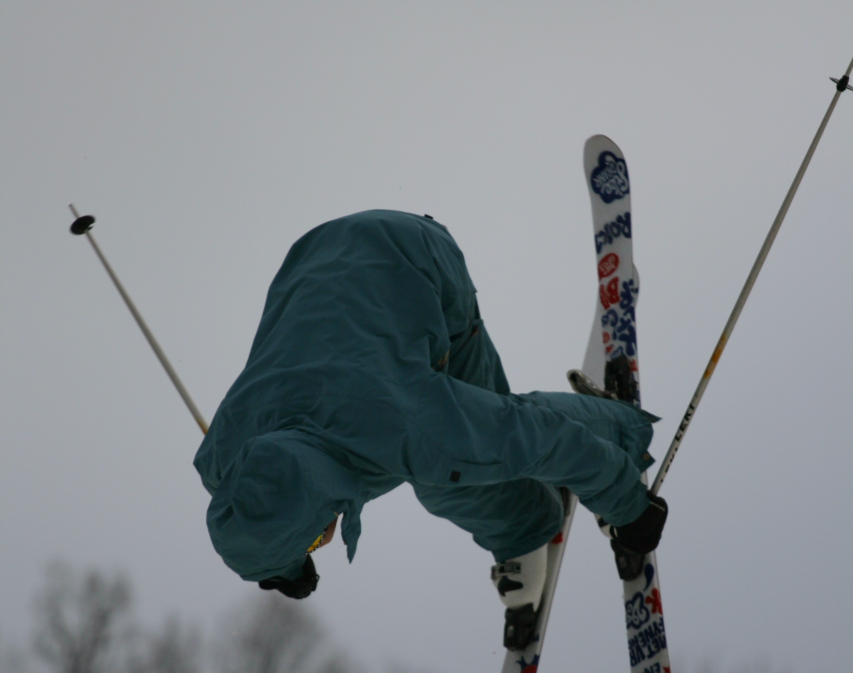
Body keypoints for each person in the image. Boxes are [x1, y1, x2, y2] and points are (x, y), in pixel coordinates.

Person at [194, 210, 667, 647]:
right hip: (318, 257)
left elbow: (528, 433)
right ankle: (526, 507)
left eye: (318, 538)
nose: (327, 538)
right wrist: (282, 565)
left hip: (418, 262)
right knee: (465, 448)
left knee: (459, 476)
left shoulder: (408, 427)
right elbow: (257, 503)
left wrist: (627, 507)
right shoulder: (223, 457)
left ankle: (574, 473)